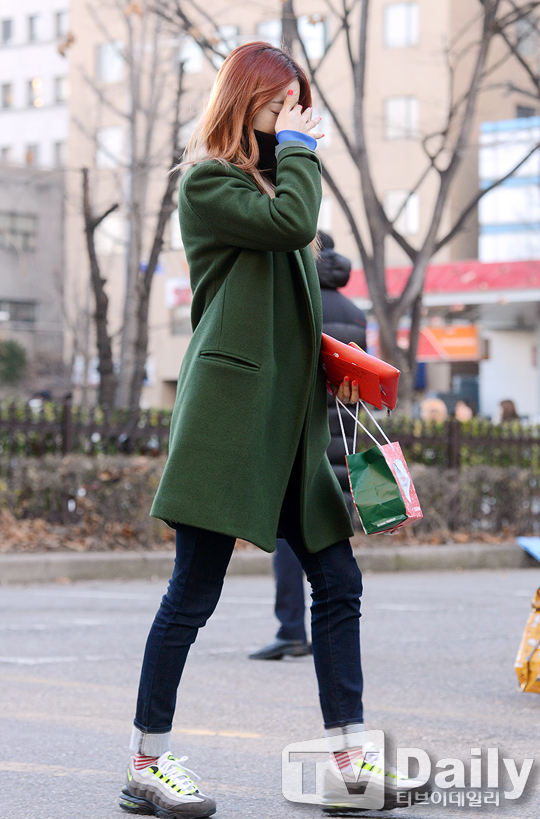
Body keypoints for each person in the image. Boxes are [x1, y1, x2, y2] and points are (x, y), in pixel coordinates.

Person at [119, 42, 424, 818]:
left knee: (339, 581)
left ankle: (349, 766)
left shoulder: (280, 178)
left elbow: (289, 267)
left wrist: (333, 359)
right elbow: (292, 224)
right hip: (227, 421)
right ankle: (146, 763)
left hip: (290, 426)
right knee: (193, 592)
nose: (293, 114)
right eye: (279, 101)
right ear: (244, 100)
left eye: (298, 102)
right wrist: (299, 150)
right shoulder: (210, 182)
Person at [249, 233, 367, 661]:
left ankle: (292, 629)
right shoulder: (355, 313)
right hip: (344, 434)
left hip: (304, 432)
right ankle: (331, 633)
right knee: (330, 539)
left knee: (287, 539)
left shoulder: (298, 298)